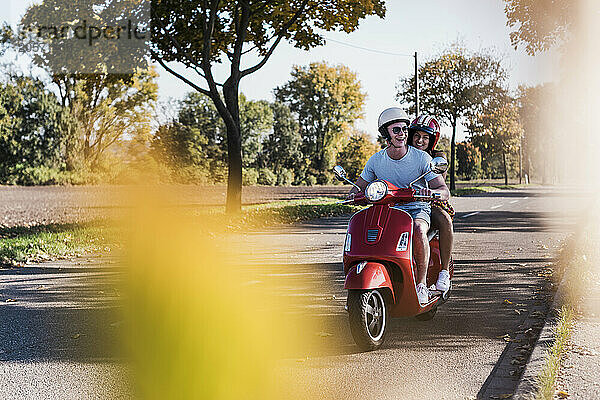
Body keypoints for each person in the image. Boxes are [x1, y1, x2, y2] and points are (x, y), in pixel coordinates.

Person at [347, 107, 450, 305]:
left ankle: (420, 284)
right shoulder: (376, 160)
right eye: (396, 130)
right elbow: (358, 186)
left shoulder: (422, 158)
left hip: (417, 208)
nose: (402, 134)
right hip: (388, 209)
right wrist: (352, 194)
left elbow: (443, 189)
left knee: (419, 228)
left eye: (404, 129)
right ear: (387, 134)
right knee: (366, 230)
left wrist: (432, 193)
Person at [408, 114, 455, 293]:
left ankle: (443, 272)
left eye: (425, 137)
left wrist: (430, 194)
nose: (420, 140)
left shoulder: (437, 157)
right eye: (417, 136)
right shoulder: (403, 152)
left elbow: (438, 183)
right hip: (402, 201)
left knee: (444, 219)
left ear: (432, 139)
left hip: (428, 202)